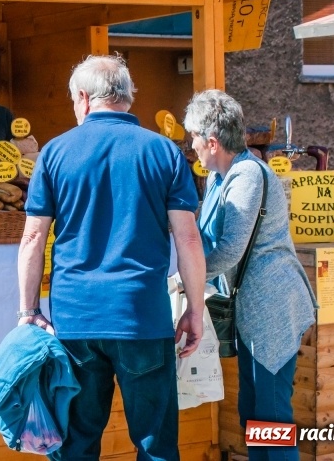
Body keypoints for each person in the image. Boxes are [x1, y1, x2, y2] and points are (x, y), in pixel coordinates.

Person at [17, 54, 206, 461]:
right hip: (142, 316)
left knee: (76, 444)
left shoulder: (53, 153)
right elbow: (189, 240)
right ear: (126, 97)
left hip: (74, 320)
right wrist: (194, 308)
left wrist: (28, 309)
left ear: (83, 98)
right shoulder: (164, 152)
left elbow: (33, 237)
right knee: (156, 444)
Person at [183, 89, 317, 461]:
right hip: (252, 312)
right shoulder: (218, 178)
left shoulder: (246, 176)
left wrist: (184, 271)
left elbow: (227, 251)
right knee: (253, 415)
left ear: (212, 142)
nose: (191, 146)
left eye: (193, 137)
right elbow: (203, 238)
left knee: (271, 418)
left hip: (273, 310)